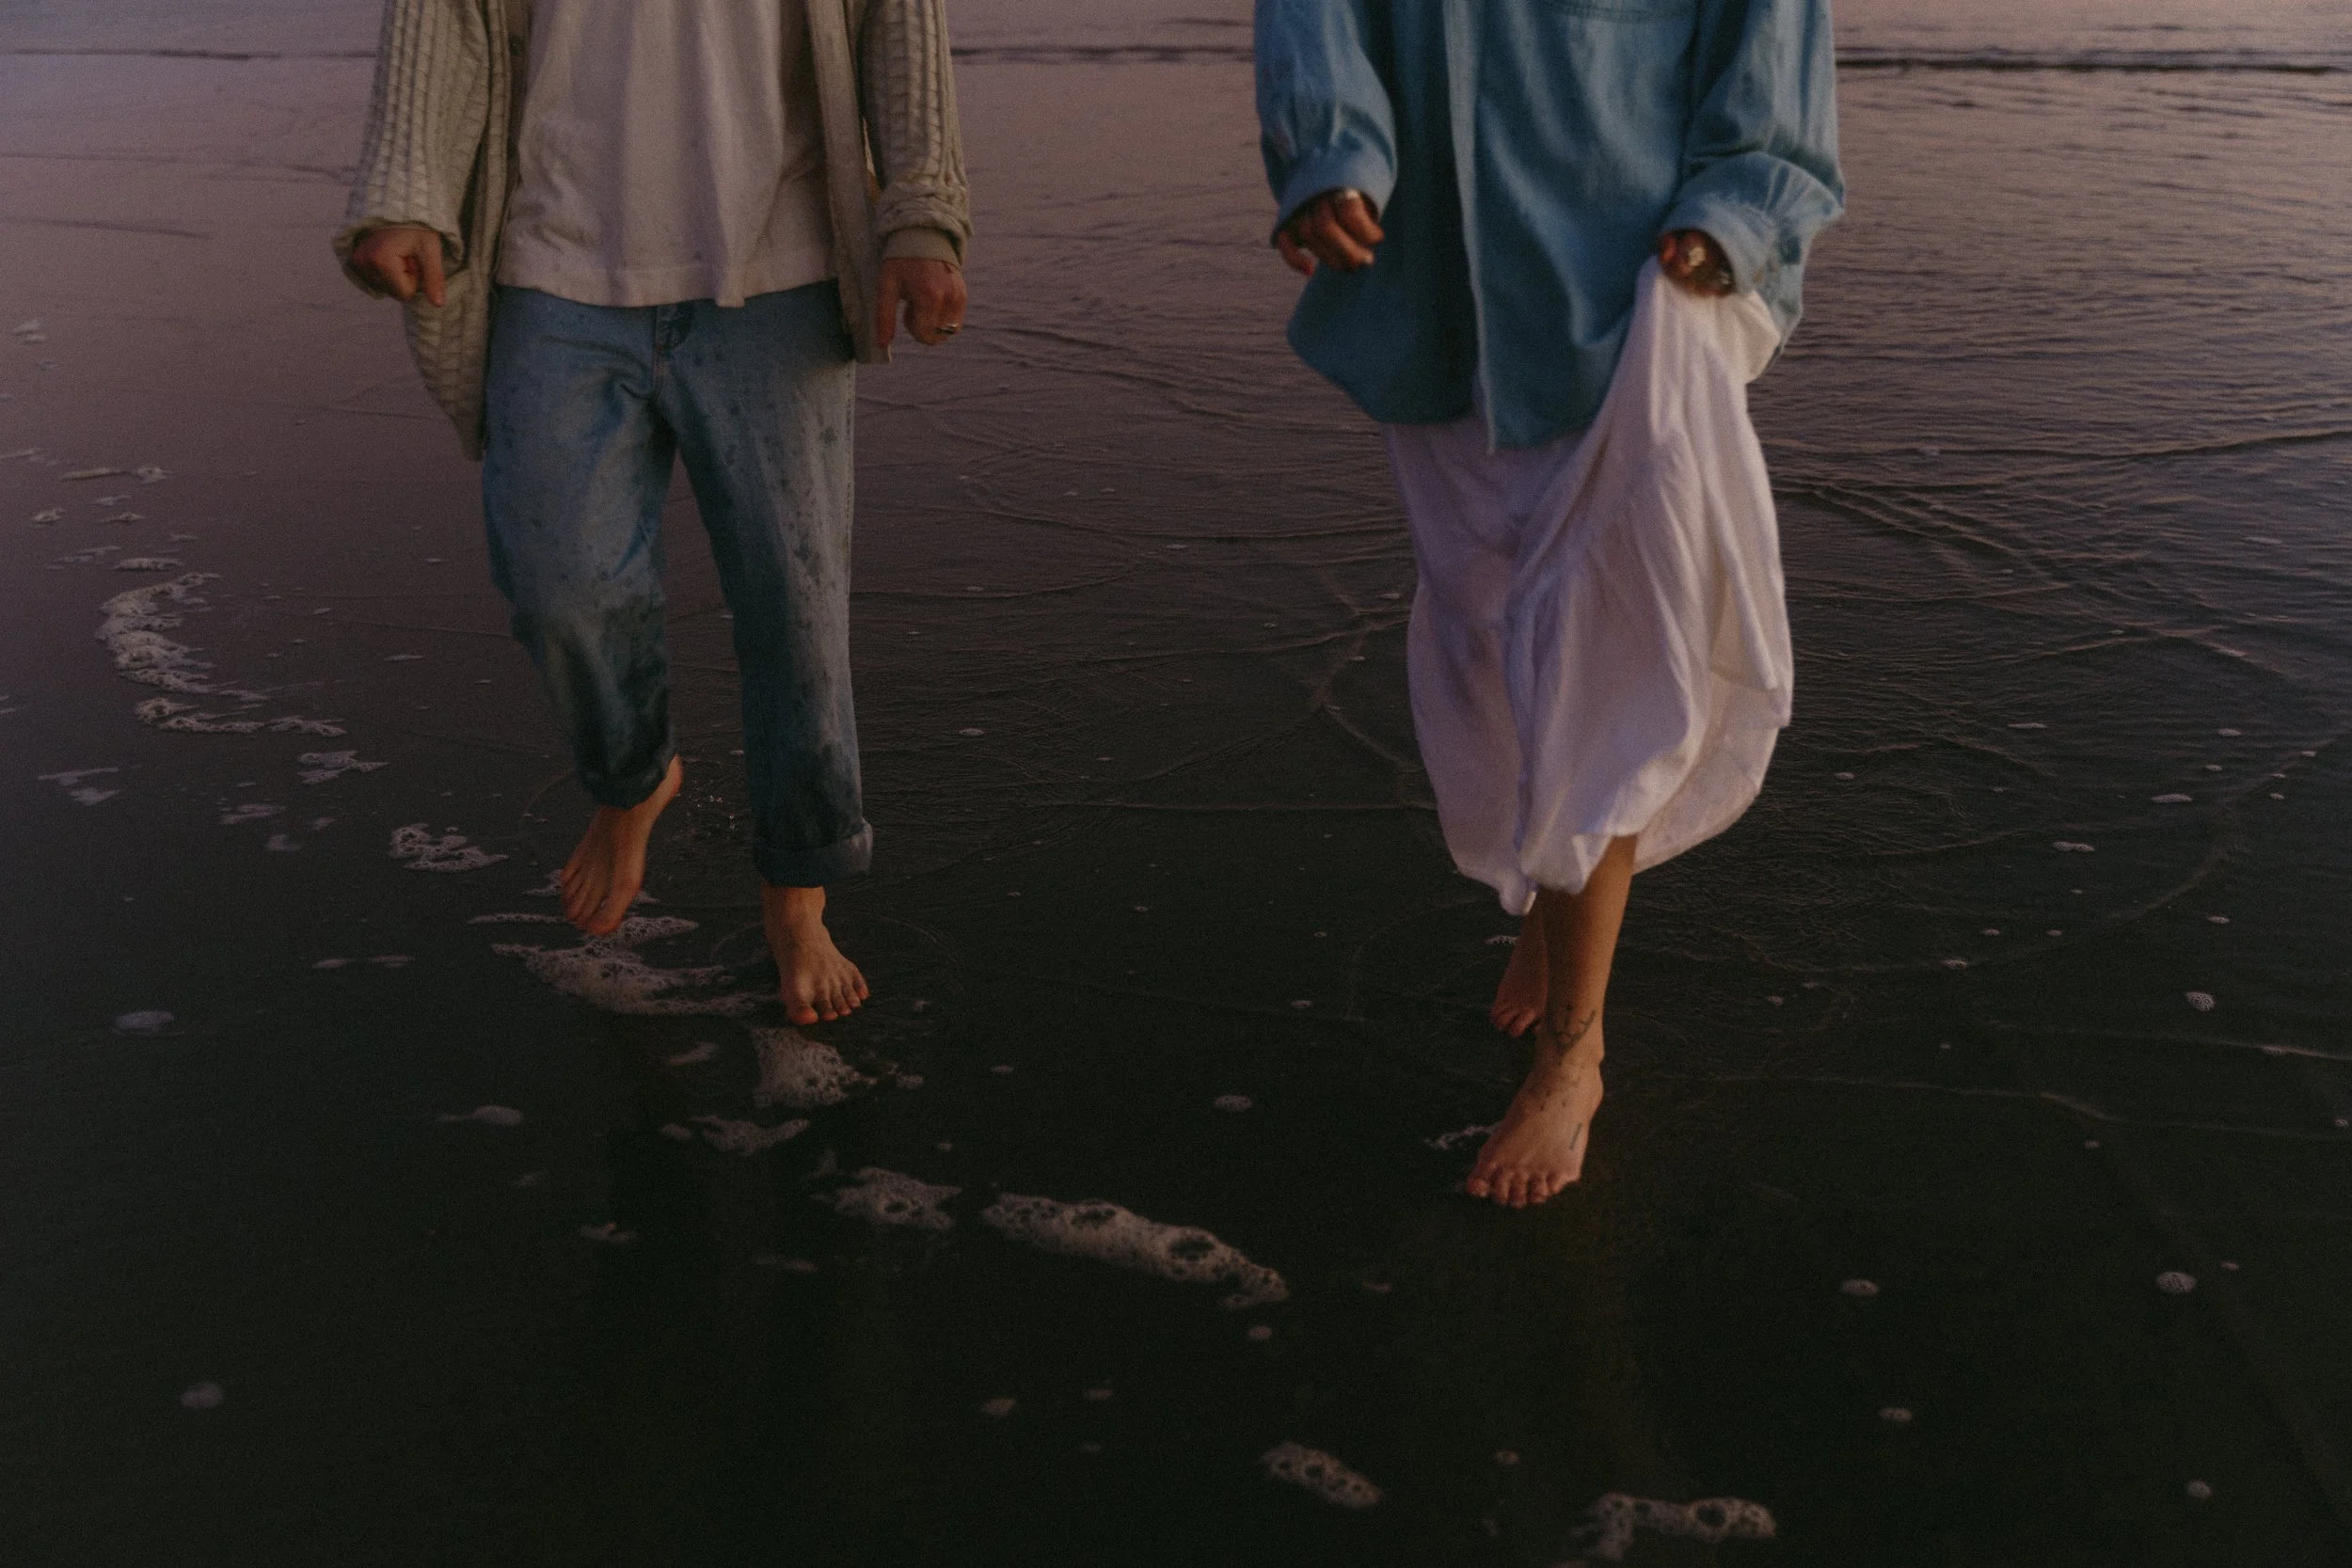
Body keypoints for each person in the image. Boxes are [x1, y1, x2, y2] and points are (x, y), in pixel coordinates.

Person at [1256, 0, 1841, 1206]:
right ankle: (1555, 887)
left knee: (1599, 663)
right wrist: (1330, 153)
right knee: (1485, 634)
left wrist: (1736, 208)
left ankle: (1573, 1052)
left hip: (1632, 289)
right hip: (1434, 283)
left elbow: (1768, 39)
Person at [335, 0, 971, 1026]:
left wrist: (921, 214)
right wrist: (405, 192)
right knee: (557, 587)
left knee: (795, 612)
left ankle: (797, 894)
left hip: (782, 261)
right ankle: (632, 777)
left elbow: (899, 19)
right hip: (557, 256)